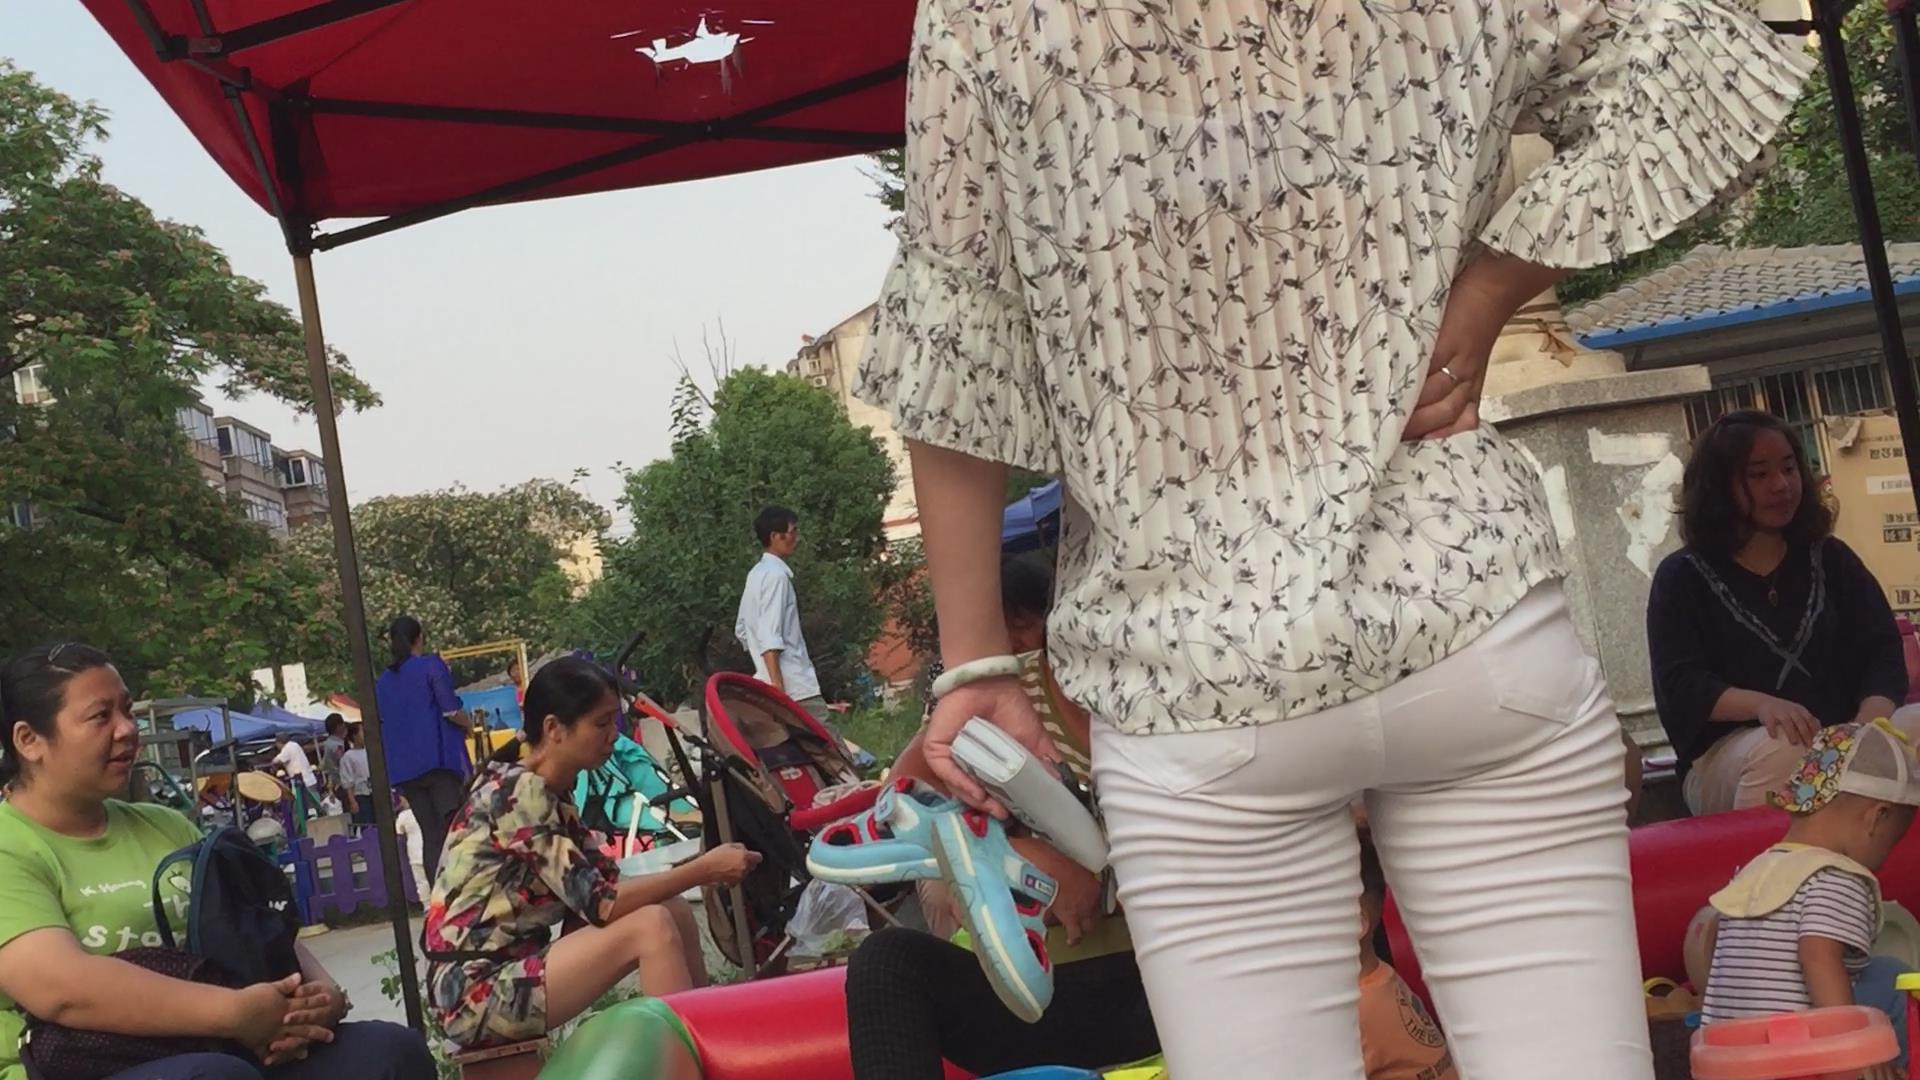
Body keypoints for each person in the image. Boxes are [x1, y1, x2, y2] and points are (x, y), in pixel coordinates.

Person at [857, 2, 1816, 1075]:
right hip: (1465, 602)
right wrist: (1488, 289)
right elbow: (1698, 71)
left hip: (1189, 664)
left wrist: (978, 660)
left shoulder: (983, 16)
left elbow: (961, 332)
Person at [0, 643, 436, 1080]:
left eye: (127, 711)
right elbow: (59, 988)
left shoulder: (167, 826)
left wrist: (321, 997)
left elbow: (255, 925)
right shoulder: (11, 844)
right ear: (28, 740)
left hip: (226, 1044)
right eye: (100, 716)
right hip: (82, 1065)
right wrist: (235, 1014)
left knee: (387, 1054)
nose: (127, 729)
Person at [425, 657, 761, 1050]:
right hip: (473, 994)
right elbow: (603, 905)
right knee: (651, 927)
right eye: (601, 724)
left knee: (672, 908)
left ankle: (710, 1044)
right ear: (554, 729)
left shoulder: (553, 791)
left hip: (511, 970)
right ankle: (683, 1062)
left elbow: (605, 882)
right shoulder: (518, 794)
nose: (614, 736)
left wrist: (693, 869)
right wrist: (703, 869)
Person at [1650, 410, 1907, 816]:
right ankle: (1772, 857)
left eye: (1789, 468)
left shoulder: (1831, 558)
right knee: (1785, 745)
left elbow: (1882, 650)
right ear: (1718, 485)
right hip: (1734, 757)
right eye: (1759, 474)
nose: (1782, 485)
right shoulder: (1681, 576)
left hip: (1843, 735)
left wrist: (1867, 727)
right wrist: (1763, 706)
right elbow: (1681, 684)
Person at [1698, 719, 1920, 1079]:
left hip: (1728, 1061)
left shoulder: (1756, 869)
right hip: (1795, 1063)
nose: (1883, 859)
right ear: (1877, 818)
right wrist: (1856, 1050)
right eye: (1890, 843)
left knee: (1880, 971)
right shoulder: (1837, 876)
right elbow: (1817, 955)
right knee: (1893, 981)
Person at [374, 615, 471, 881]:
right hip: (438, 762)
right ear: (419, 638)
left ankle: (438, 895)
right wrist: (468, 723)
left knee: (430, 835)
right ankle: (460, 889)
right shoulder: (431, 666)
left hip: (405, 770)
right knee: (453, 829)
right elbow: (450, 710)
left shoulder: (383, 681)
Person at [736, 506, 828, 722]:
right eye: (792, 532)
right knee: (828, 743)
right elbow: (770, 636)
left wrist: (763, 670)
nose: (796, 538)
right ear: (775, 537)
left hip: (768, 685)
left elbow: (742, 630)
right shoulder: (777, 577)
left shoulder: (755, 575)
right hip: (796, 688)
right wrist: (778, 686)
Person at [270, 733, 322, 819]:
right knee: (315, 805)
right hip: (310, 780)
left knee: (304, 807)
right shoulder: (295, 745)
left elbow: (277, 760)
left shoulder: (288, 747)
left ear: (279, 743)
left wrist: (273, 765)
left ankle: (309, 823)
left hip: (303, 782)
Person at [394, 795, 427, 904]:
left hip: (414, 851)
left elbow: (399, 831)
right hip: (428, 848)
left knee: (421, 882)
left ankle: (427, 905)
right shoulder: (424, 810)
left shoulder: (403, 816)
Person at [339, 724, 372, 826]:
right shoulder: (348, 757)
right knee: (367, 824)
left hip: (375, 792)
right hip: (361, 795)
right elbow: (347, 782)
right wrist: (352, 801)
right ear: (354, 736)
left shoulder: (371, 751)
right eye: (361, 732)